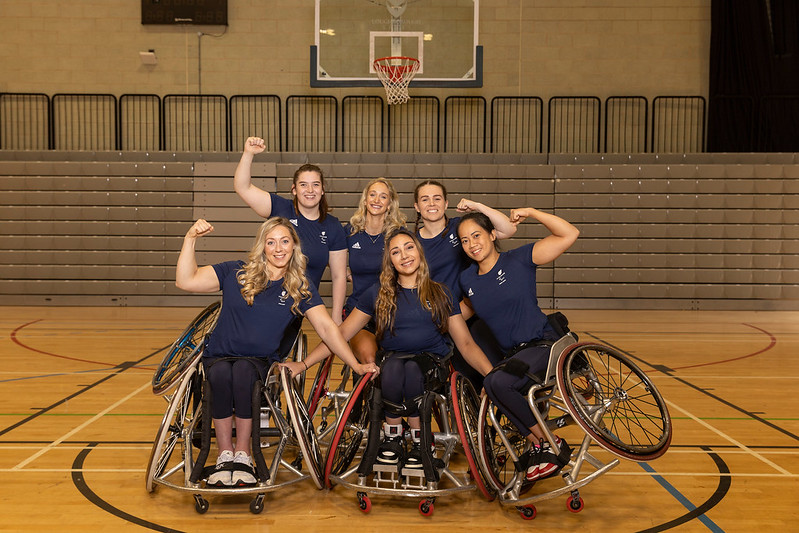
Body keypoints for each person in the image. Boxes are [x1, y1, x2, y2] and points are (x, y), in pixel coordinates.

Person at [175, 217, 377, 487]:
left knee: (244, 373)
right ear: (263, 247)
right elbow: (186, 280)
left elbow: (329, 331)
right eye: (271, 242)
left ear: (294, 246)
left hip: (259, 362)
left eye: (285, 241)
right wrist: (190, 239)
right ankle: (226, 454)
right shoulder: (235, 272)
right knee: (222, 373)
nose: (278, 248)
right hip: (220, 355)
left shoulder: (299, 287)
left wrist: (355, 365)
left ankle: (243, 453)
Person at [284, 229, 493, 471]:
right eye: (396, 251)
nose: (404, 255)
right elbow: (339, 335)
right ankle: (392, 437)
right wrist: (304, 364)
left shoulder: (441, 293)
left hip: (432, 363)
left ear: (419, 252)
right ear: (390, 261)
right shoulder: (378, 294)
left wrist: (491, 375)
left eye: (409, 247)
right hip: (394, 361)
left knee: (413, 370)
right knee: (391, 368)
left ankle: (419, 440)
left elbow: (466, 344)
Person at [457, 207, 579, 482]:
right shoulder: (467, 279)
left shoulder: (519, 259)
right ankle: (539, 443)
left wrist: (534, 212)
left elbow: (569, 233)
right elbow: (464, 311)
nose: (472, 244)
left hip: (543, 345)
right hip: (514, 356)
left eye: (476, 235)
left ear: (492, 235)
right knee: (491, 384)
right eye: (465, 240)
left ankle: (551, 442)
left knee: (496, 383)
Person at [234, 137, 347, 324]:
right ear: (294, 189)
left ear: (323, 190)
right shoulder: (280, 208)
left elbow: (339, 275)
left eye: (316, 184)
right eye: (303, 184)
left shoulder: (333, 226)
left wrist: (336, 317)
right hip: (264, 294)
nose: (310, 190)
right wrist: (248, 154)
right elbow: (242, 187)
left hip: (297, 302)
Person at [413, 179, 516, 383]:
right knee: (457, 379)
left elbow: (508, 230)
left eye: (437, 198)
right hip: (440, 321)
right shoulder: (412, 243)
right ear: (417, 206)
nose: (431, 203)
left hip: (472, 311)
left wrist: (478, 207)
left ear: (446, 203)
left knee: (490, 367)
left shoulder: (460, 227)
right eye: (425, 199)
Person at [343, 177, 406, 364]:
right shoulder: (350, 231)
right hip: (359, 310)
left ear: (390, 204)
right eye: (372, 195)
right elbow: (331, 258)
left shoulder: (398, 234)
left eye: (383, 196)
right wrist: (346, 270)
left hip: (391, 311)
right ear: (365, 199)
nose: (377, 200)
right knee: (370, 359)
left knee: (392, 363)